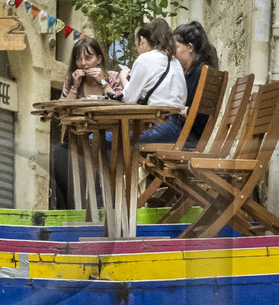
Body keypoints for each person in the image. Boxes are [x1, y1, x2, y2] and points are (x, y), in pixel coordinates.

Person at [51, 35, 123, 208]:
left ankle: (103, 209)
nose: (83, 63)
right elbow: (62, 111)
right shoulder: (72, 80)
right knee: (58, 155)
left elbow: (121, 106)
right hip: (77, 140)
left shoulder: (112, 77)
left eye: (88, 58)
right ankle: (69, 209)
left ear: (99, 59)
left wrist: (103, 83)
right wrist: (75, 87)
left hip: (107, 141)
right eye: (78, 59)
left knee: (99, 162)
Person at [126, 17, 194, 146]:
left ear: (142, 40)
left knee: (98, 138)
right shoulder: (176, 63)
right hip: (178, 130)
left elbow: (128, 99)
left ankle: (116, 167)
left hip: (159, 130)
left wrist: (123, 78)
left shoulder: (145, 59)